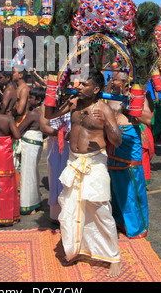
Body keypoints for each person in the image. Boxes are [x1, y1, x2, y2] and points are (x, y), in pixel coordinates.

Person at [44, 70, 122, 277]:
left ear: (96, 89)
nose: (79, 87)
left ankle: (113, 257)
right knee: (71, 206)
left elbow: (117, 141)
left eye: (84, 85)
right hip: (74, 161)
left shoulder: (104, 109)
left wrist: (105, 123)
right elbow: (49, 115)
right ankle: (75, 249)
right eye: (78, 84)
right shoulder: (73, 104)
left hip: (95, 164)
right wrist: (51, 91)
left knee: (100, 208)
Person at [106, 71, 151, 239]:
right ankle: (120, 221)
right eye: (112, 79)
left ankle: (137, 227)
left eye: (116, 79)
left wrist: (129, 107)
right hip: (112, 142)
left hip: (130, 143)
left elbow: (148, 118)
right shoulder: (107, 96)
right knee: (116, 189)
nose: (113, 82)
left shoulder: (137, 96)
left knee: (132, 188)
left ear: (125, 82)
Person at [0, 91, 21, 226]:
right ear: (1, 104)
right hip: (5, 155)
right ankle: (7, 216)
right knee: (7, 184)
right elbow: (17, 135)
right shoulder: (7, 119)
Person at [17, 87, 46, 215]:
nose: (28, 100)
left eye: (31, 98)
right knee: (33, 173)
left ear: (39, 100)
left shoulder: (33, 114)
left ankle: (28, 205)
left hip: (29, 145)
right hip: (37, 143)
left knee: (27, 175)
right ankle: (35, 201)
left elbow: (19, 131)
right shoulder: (44, 112)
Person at [40, 105, 70, 223]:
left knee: (69, 179)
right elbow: (43, 126)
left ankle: (69, 213)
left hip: (71, 146)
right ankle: (56, 215)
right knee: (55, 176)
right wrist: (63, 134)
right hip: (54, 145)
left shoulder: (75, 101)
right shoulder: (47, 104)